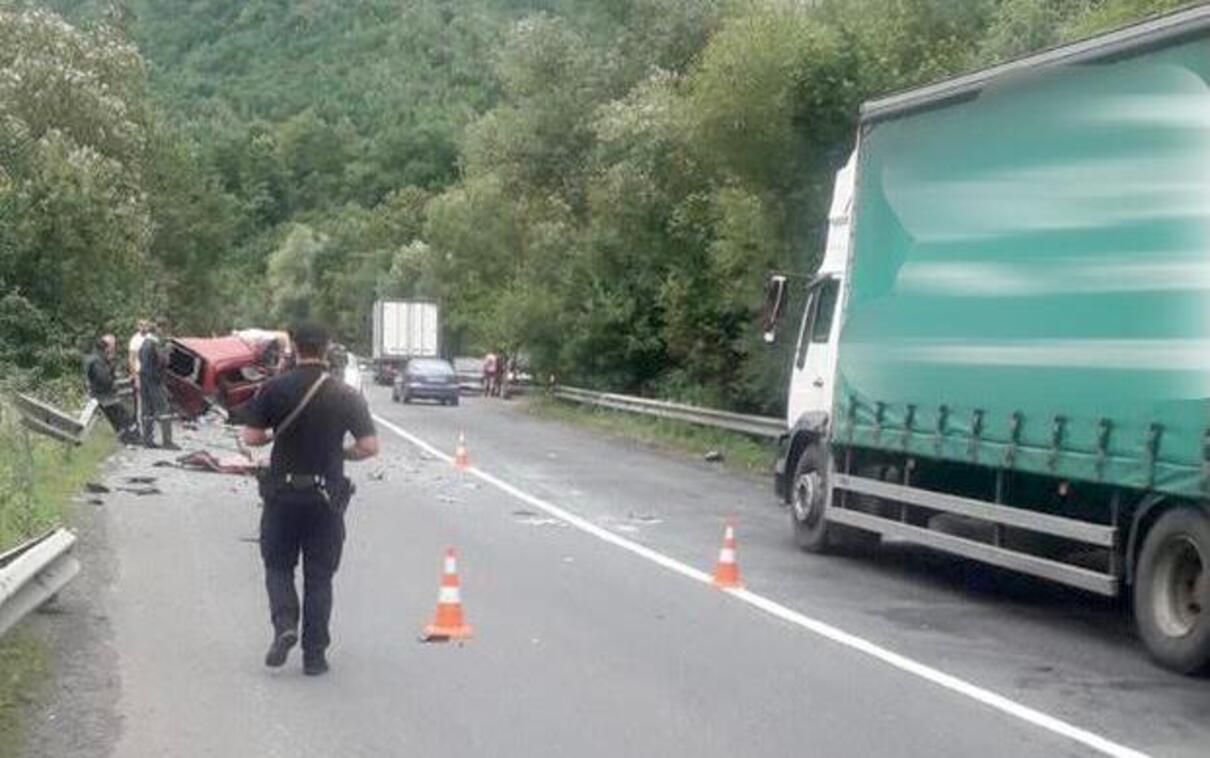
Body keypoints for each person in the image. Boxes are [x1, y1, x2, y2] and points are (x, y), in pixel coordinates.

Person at [241, 321, 379, 676]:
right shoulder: (345, 395)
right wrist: (339, 453)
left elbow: (252, 438)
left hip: (282, 495)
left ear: (294, 347)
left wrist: (275, 434)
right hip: (326, 498)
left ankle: (285, 624)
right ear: (327, 346)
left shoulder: (274, 388)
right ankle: (314, 656)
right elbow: (369, 447)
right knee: (319, 577)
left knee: (278, 566)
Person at [84, 335, 140, 444]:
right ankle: (132, 438)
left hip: (100, 395)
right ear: (105, 348)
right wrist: (112, 377)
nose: (111, 350)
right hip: (104, 397)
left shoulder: (92, 358)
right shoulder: (97, 361)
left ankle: (127, 438)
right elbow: (104, 379)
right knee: (123, 416)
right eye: (110, 347)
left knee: (119, 417)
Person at [138, 320, 177, 449]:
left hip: (144, 379)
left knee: (147, 410)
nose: (164, 333)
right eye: (164, 330)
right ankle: (167, 441)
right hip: (155, 380)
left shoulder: (144, 343)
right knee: (164, 409)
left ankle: (147, 439)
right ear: (159, 329)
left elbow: (140, 359)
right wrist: (167, 350)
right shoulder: (155, 344)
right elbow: (163, 361)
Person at [128, 320, 149, 419]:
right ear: (138, 327)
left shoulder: (151, 338)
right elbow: (131, 359)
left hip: (150, 373)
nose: (143, 327)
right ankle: (139, 419)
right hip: (139, 372)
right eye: (141, 325)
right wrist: (135, 376)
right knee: (140, 399)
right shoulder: (135, 340)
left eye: (145, 325)